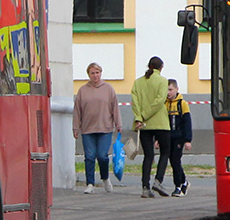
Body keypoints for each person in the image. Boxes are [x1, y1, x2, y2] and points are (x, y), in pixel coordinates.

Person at [72, 62, 122, 194]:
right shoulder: (83, 90)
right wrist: (76, 127)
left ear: (101, 73)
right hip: (87, 129)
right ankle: (90, 183)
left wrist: (118, 124)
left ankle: (105, 178)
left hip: (105, 128)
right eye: (92, 73)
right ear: (88, 75)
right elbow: (77, 110)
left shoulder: (108, 89)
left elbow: (115, 108)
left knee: (102, 156)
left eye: (97, 73)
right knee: (89, 156)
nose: (95, 75)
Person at [131, 56, 170, 198]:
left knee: (148, 155)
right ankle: (158, 180)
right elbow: (160, 101)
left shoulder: (138, 83)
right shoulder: (163, 81)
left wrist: (139, 117)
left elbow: (134, 102)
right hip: (160, 122)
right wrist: (146, 114)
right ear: (161, 67)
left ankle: (145, 187)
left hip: (143, 124)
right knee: (165, 152)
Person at [157, 78, 192, 197]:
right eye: (166, 90)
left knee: (175, 160)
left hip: (179, 137)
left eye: (170, 90)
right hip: (167, 136)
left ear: (177, 89)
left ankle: (178, 186)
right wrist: (158, 139)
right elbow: (161, 122)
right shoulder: (164, 103)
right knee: (172, 160)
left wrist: (188, 140)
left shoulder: (182, 104)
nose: (168, 93)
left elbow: (187, 122)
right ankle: (184, 182)